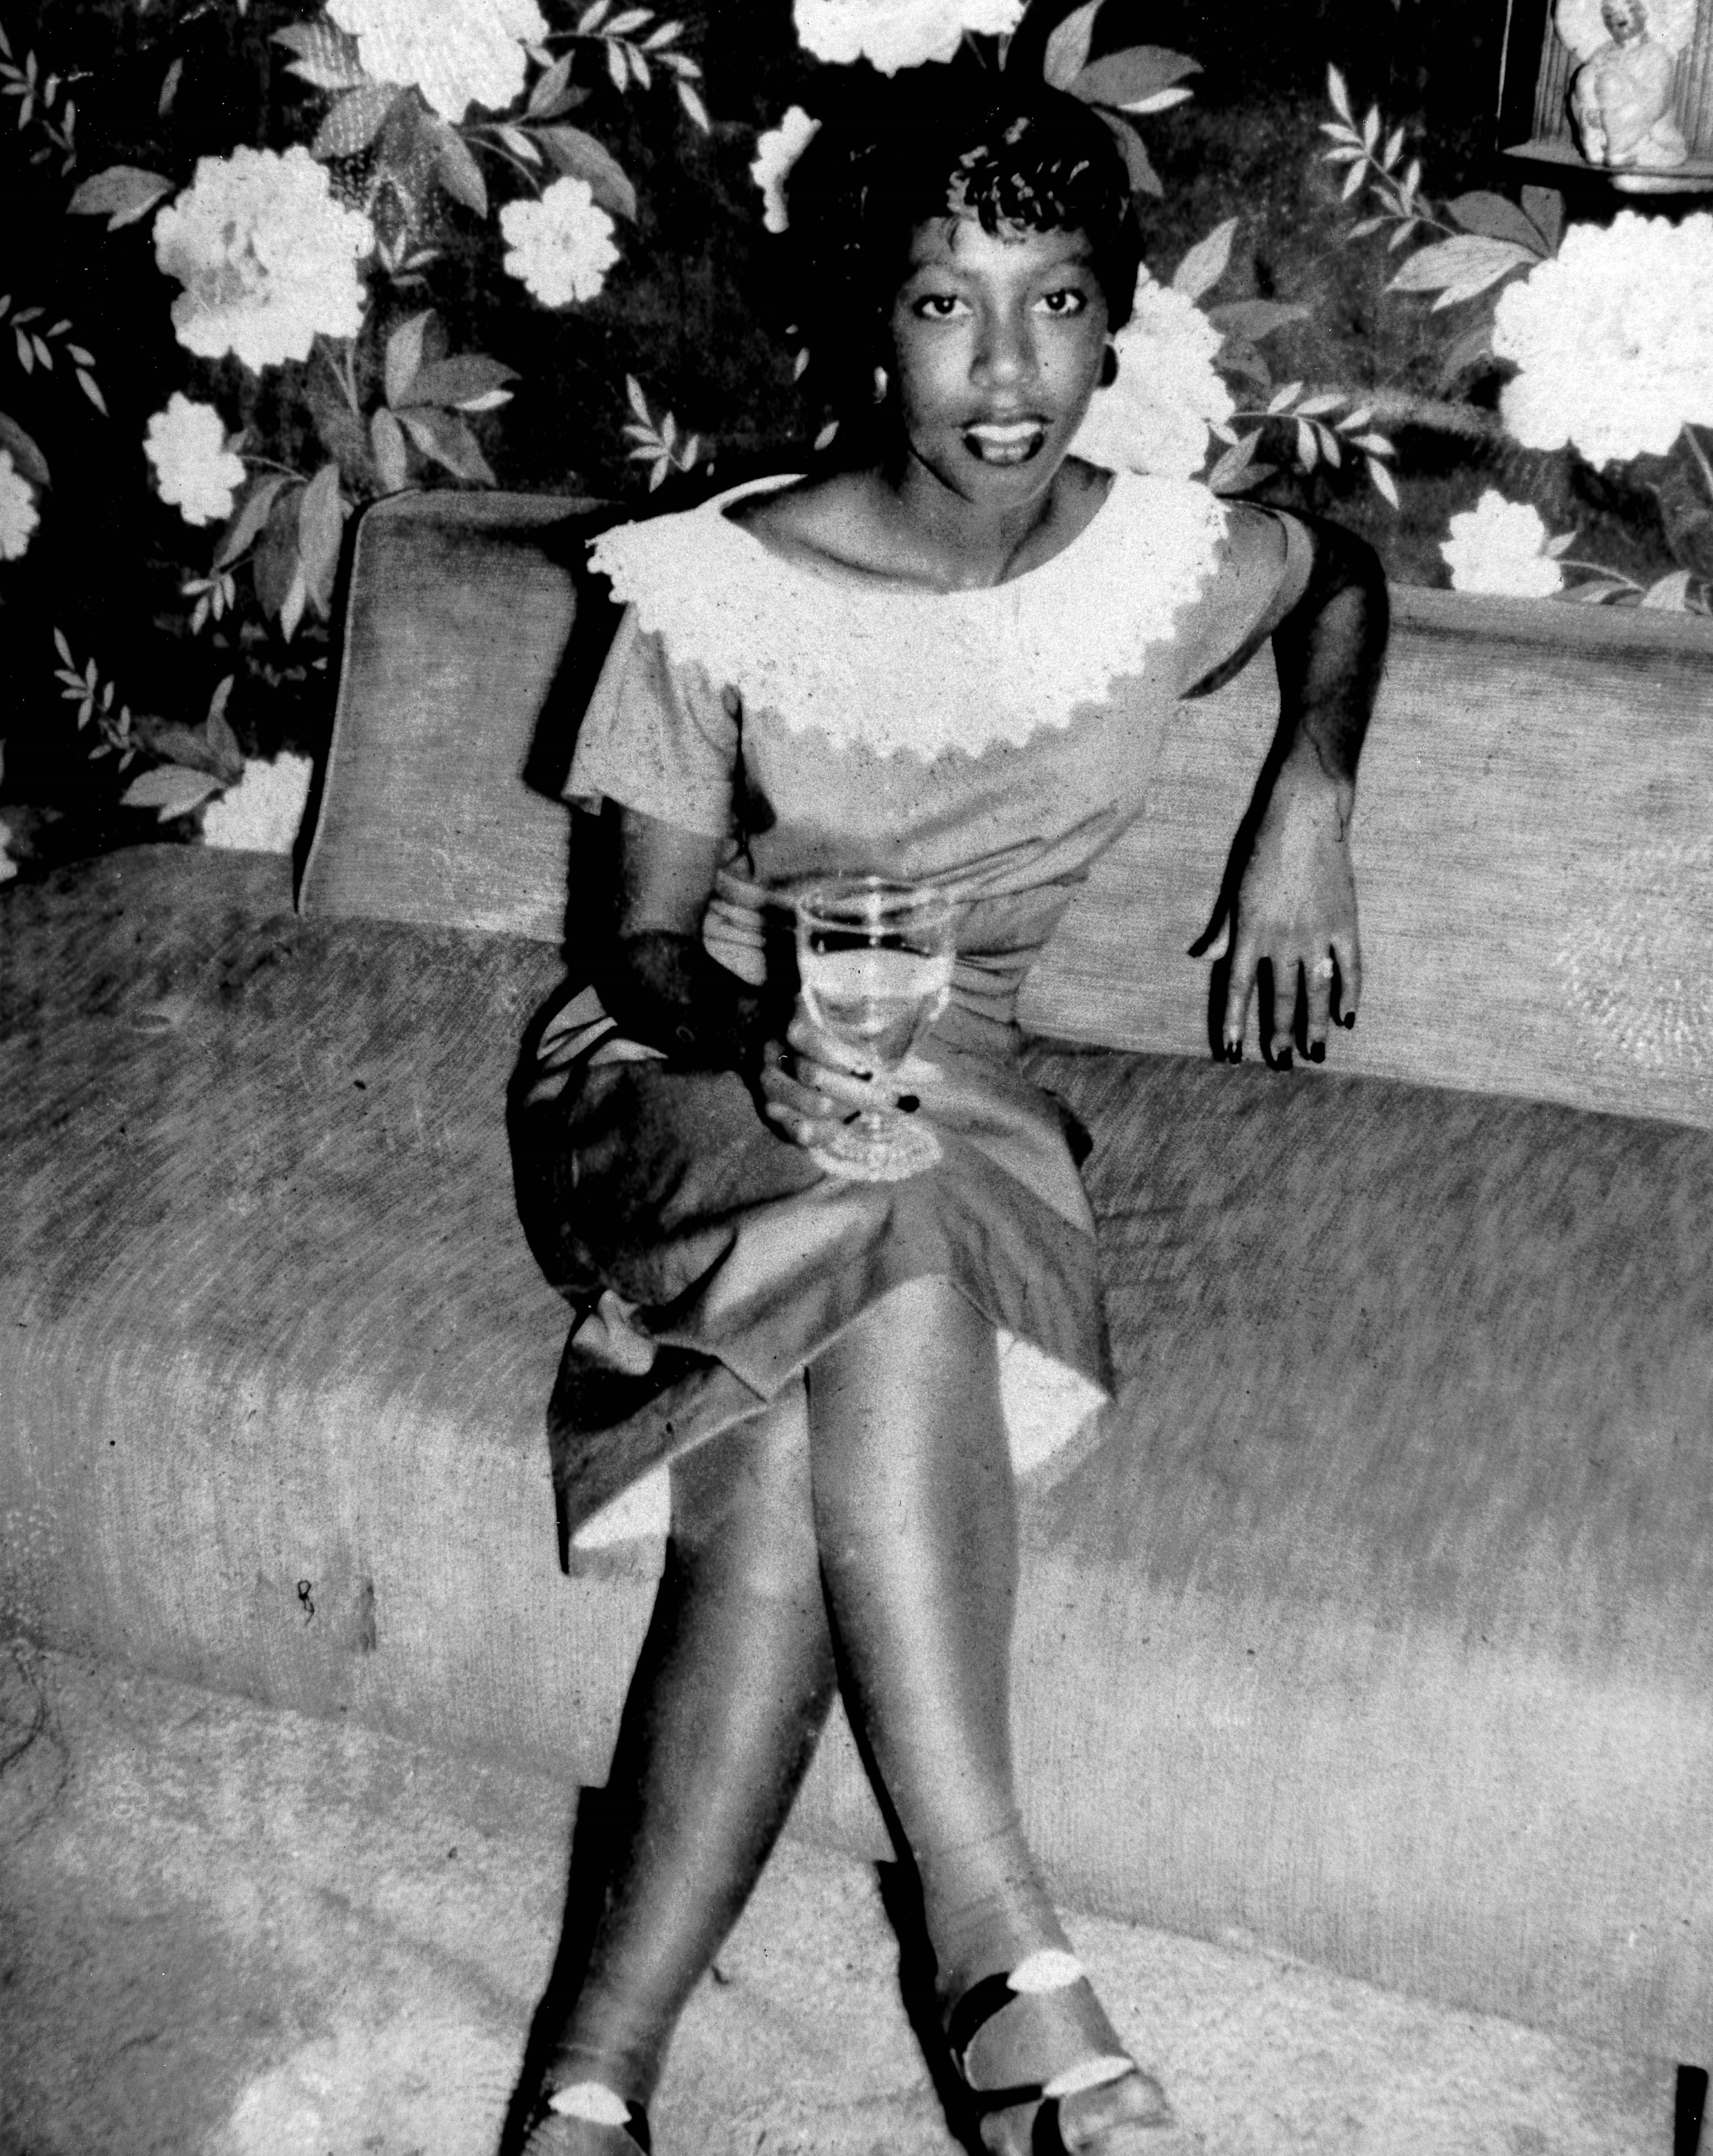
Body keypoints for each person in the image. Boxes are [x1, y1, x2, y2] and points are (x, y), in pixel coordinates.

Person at [507, 60, 1387, 2156]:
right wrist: (758, 1040)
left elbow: (1341, 569)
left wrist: (1310, 793)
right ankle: (1004, 1960)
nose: (1007, 374)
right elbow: (639, 945)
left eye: (1056, 302)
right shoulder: (721, 584)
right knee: (889, 1237)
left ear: (1112, 321)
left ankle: (589, 2090)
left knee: (775, 1472)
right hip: (692, 1059)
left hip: (961, 1071)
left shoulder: (1163, 562)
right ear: (867, 326)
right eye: (942, 306)